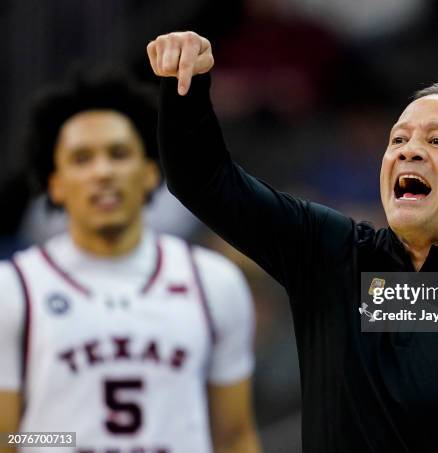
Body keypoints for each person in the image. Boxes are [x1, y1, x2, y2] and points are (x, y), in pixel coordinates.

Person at [146, 32, 438, 452]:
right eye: (398, 139)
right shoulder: (331, 254)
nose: (408, 149)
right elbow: (202, 179)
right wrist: (185, 85)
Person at [0, 69, 260, 453]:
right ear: (55, 183)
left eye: (119, 154)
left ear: (150, 174)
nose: (103, 172)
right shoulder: (13, 287)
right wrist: (64, 438)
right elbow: (9, 438)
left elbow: (234, 436)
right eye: (82, 159)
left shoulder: (214, 281)